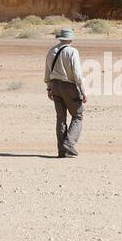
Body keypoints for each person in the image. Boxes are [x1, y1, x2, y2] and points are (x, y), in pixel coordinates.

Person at [44, 27, 87, 158]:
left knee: (61, 119)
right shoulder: (72, 51)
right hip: (69, 86)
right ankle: (69, 144)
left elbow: (47, 72)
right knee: (77, 116)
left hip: (55, 85)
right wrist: (83, 91)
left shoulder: (52, 50)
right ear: (70, 38)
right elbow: (77, 74)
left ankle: (62, 151)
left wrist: (49, 87)